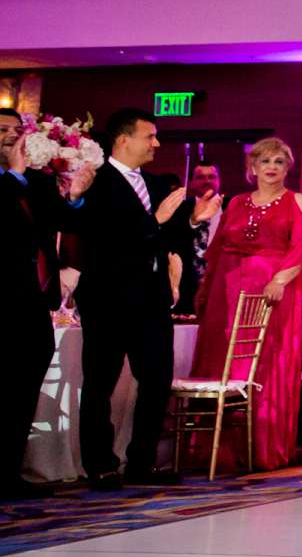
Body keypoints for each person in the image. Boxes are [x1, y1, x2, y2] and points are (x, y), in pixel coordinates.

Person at [58, 110, 205, 489]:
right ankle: (101, 464)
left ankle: (142, 461)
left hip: (151, 299)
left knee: (156, 381)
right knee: (100, 383)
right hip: (108, 298)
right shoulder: (97, 182)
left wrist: (190, 223)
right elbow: (107, 238)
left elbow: (167, 238)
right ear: (124, 139)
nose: (156, 143)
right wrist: (155, 220)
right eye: (150, 136)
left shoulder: (156, 184)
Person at [187, 137, 302, 472]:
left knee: (261, 365)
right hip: (226, 293)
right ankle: (217, 450)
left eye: (279, 162)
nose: (271, 168)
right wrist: (206, 288)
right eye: (265, 161)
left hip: (270, 294)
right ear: (252, 168)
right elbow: (215, 249)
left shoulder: (296, 201)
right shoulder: (236, 203)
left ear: (288, 167)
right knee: (222, 363)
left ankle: (259, 447)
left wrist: (280, 281)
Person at [2, 112, 69, 497]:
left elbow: (62, 220)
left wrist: (75, 195)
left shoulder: (37, 183)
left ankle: (11, 471)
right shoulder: (10, 182)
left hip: (30, 293)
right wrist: (13, 177)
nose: (13, 138)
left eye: (17, 131)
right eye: (3, 132)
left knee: (27, 375)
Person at [173, 163, 222, 318]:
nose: (206, 181)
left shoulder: (233, 207)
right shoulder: (179, 209)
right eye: (201, 177)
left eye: (211, 177)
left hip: (222, 284)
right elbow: (174, 244)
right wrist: (193, 221)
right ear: (192, 182)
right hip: (187, 288)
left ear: (219, 180)